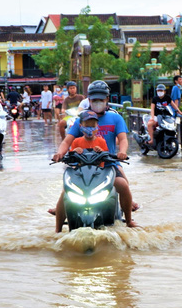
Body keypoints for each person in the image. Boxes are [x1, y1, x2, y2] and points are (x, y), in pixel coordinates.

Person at [51, 80, 138, 231]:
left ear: (107, 100)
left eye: (101, 100)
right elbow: (67, 141)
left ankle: (129, 220)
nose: (98, 102)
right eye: (94, 100)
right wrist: (59, 153)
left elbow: (123, 139)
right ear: (89, 100)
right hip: (81, 168)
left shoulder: (115, 118)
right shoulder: (81, 120)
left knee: (123, 185)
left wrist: (122, 152)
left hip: (108, 165)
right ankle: (58, 229)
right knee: (66, 191)